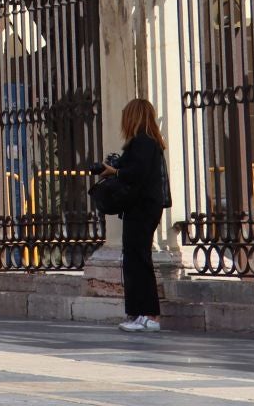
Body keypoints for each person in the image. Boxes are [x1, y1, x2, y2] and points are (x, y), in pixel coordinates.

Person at [104, 98, 171, 333]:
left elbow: (136, 173)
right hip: (141, 207)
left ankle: (149, 315)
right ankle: (138, 313)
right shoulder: (144, 142)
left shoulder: (144, 142)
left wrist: (115, 172)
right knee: (133, 258)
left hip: (142, 207)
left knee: (139, 259)